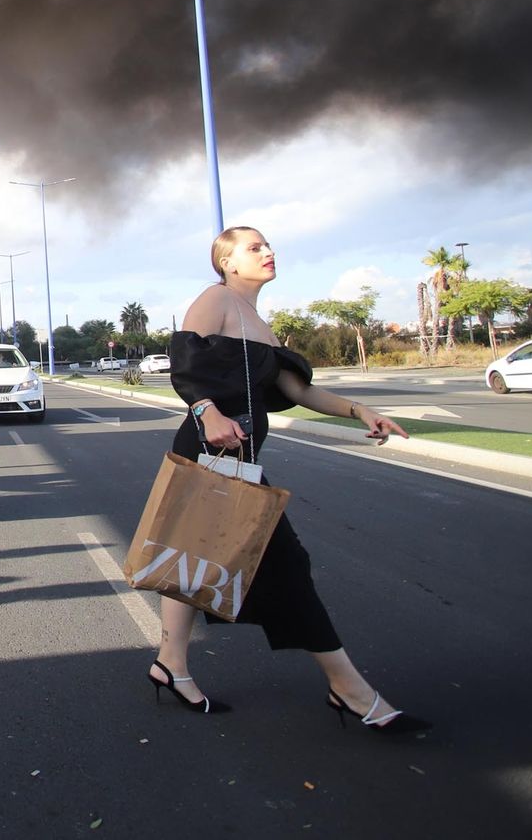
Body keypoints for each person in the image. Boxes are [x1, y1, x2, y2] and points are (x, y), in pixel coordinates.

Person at [152, 226, 429, 734]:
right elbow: (184, 364)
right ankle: (351, 690)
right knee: (287, 564)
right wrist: (207, 411)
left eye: (267, 245)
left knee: (193, 557)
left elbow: (297, 390)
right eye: (254, 248)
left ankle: (171, 666)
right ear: (228, 262)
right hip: (209, 449)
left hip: (240, 457)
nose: (268, 252)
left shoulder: (259, 323)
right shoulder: (215, 299)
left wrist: (359, 409)